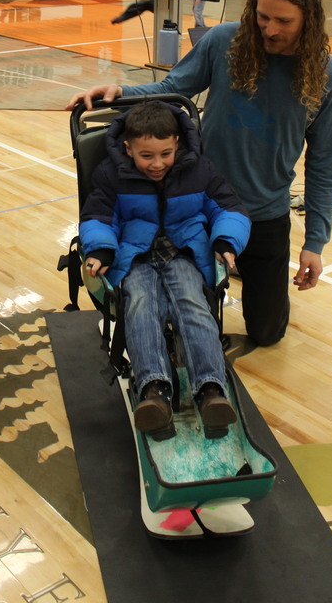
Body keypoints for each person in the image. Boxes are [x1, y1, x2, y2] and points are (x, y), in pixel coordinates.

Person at [68, 0, 332, 347]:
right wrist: (121, 93)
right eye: (263, 17)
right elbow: (173, 89)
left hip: (266, 215)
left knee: (267, 334)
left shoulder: (328, 76)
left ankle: (242, 269)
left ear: (309, 18)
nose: (270, 28)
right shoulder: (223, 42)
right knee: (178, 314)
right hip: (201, 202)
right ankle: (219, 264)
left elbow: (324, 162)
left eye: (284, 21)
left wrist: (315, 243)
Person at [81, 101, 250, 438]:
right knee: (141, 307)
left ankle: (211, 390)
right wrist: (99, 249)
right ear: (128, 148)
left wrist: (225, 241)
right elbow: (99, 217)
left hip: (185, 254)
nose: (157, 164)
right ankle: (153, 392)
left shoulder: (200, 170)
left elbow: (228, 208)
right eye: (146, 156)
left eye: (166, 153)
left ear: (177, 143)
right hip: (134, 258)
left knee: (193, 305)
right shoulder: (110, 175)